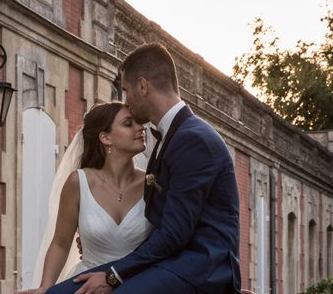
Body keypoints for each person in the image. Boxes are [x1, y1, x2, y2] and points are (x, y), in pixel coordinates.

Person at [46, 42, 241, 294]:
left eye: (126, 91)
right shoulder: (171, 137)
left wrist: (113, 275)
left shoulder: (192, 138)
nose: (127, 101)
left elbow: (175, 232)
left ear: (142, 86)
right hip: (170, 260)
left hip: (200, 266)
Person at [16, 102, 153, 294]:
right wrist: (46, 287)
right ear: (105, 138)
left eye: (139, 122)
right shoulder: (78, 182)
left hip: (142, 284)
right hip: (88, 286)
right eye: (128, 123)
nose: (141, 128)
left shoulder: (152, 183)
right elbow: (61, 243)